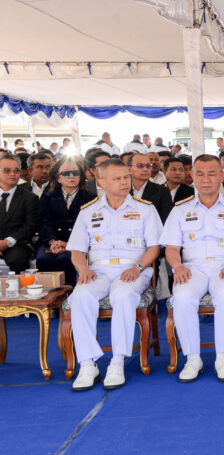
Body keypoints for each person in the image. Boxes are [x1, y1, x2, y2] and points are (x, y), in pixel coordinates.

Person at [67, 159, 162, 391]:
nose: (124, 182)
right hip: (97, 271)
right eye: (117, 178)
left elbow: (154, 247)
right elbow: (77, 250)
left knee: (122, 294)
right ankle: (87, 364)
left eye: (126, 177)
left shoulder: (145, 209)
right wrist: (83, 270)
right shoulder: (88, 212)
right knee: (80, 296)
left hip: (133, 269)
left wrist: (137, 268)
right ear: (101, 182)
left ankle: (117, 361)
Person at [161, 155, 224, 382]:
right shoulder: (180, 210)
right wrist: (177, 266)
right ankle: (193, 359)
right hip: (191, 268)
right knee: (182, 297)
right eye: (200, 174)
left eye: (212, 174)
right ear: (192, 177)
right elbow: (171, 248)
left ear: (222, 176)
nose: (205, 179)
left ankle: (223, 358)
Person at [37, 157, 91, 284]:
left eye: (75, 172)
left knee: (66, 259)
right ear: (58, 178)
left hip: (77, 243)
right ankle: (50, 295)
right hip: (52, 241)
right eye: (66, 173)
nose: (71, 176)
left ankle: (70, 294)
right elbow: (43, 223)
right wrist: (53, 242)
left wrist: (68, 244)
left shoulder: (90, 198)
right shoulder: (48, 197)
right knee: (43, 259)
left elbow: (89, 227)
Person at [0, 153, 39, 272]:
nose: (12, 174)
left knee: (17, 258)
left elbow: (29, 226)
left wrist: (8, 241)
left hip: (17, 243)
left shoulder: (30, 198)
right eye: (7, 170)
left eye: (16, 170)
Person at [125, 151, 173, 222]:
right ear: (129, 169)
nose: (145, 169)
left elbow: (166, 220)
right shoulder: (122, 190)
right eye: (140, 166)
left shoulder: (162, 191)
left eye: (148, 166)